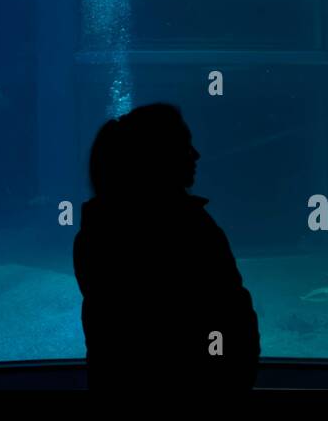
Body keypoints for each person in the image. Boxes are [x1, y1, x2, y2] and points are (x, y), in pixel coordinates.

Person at [73, 103, 260, 390]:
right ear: (158, 156)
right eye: (184, 145)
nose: (195, 155)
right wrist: (230, 375)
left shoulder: (96, 232)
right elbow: (226, 318)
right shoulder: (190, 230)